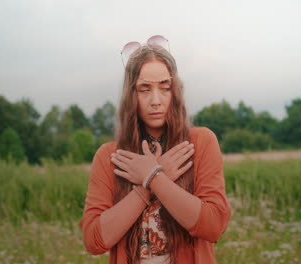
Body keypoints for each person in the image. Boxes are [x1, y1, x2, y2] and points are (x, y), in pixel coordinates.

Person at [78, 35, 231, 264]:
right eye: (144, 89)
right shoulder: (109, 157)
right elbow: (94, 241)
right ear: (131, 95)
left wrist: (153, 176)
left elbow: (213, 226)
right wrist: (145, 188)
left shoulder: (201, 142)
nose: (156, 100)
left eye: (165, 88)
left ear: (175, 91)